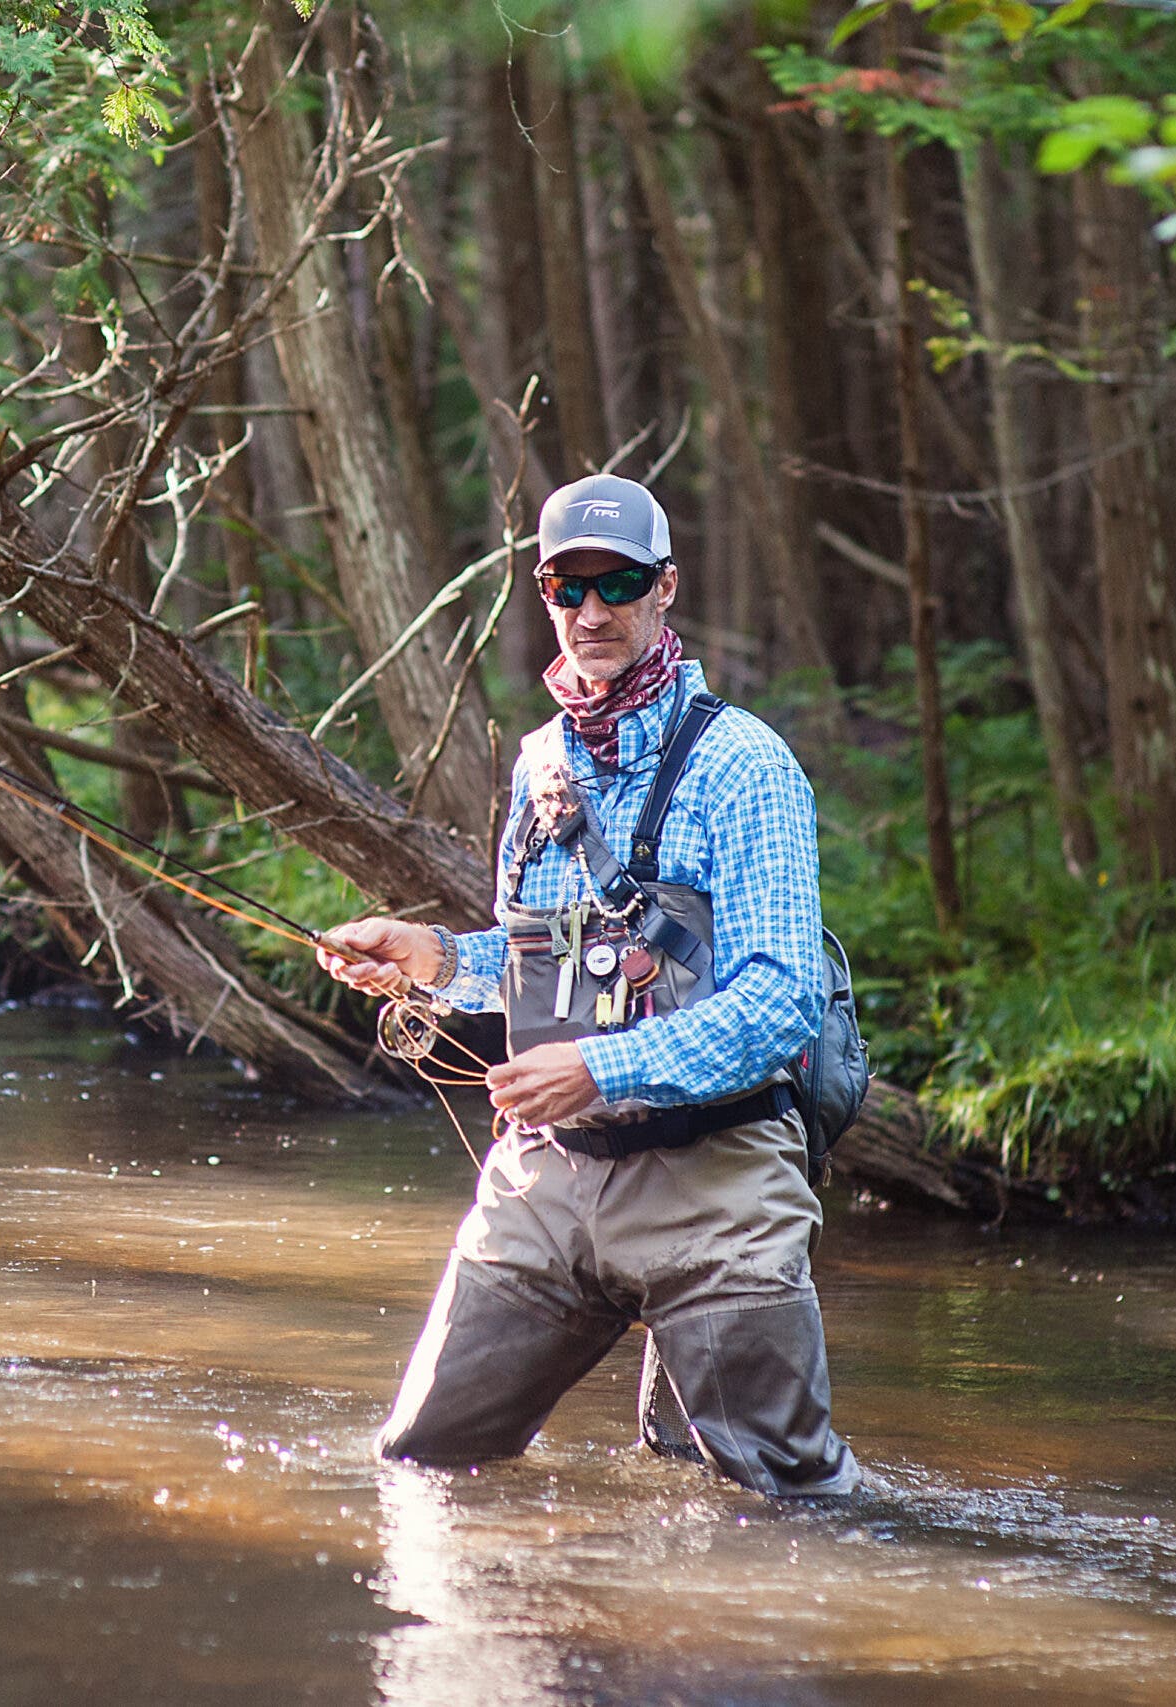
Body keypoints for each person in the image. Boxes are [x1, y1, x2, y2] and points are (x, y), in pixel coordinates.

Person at [318, 473, 858, 1499]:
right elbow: (543, 962)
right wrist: (429, 958)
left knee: (784, 1508)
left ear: (666, 590)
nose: (594, 611)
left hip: (720, 1180)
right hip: (548, 1181)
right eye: (570, 588)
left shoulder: (748, 766)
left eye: (619, 584)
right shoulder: (537, 767)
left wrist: (600, 1066)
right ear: (542, 592)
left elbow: (779, 998)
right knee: (425, 1471)